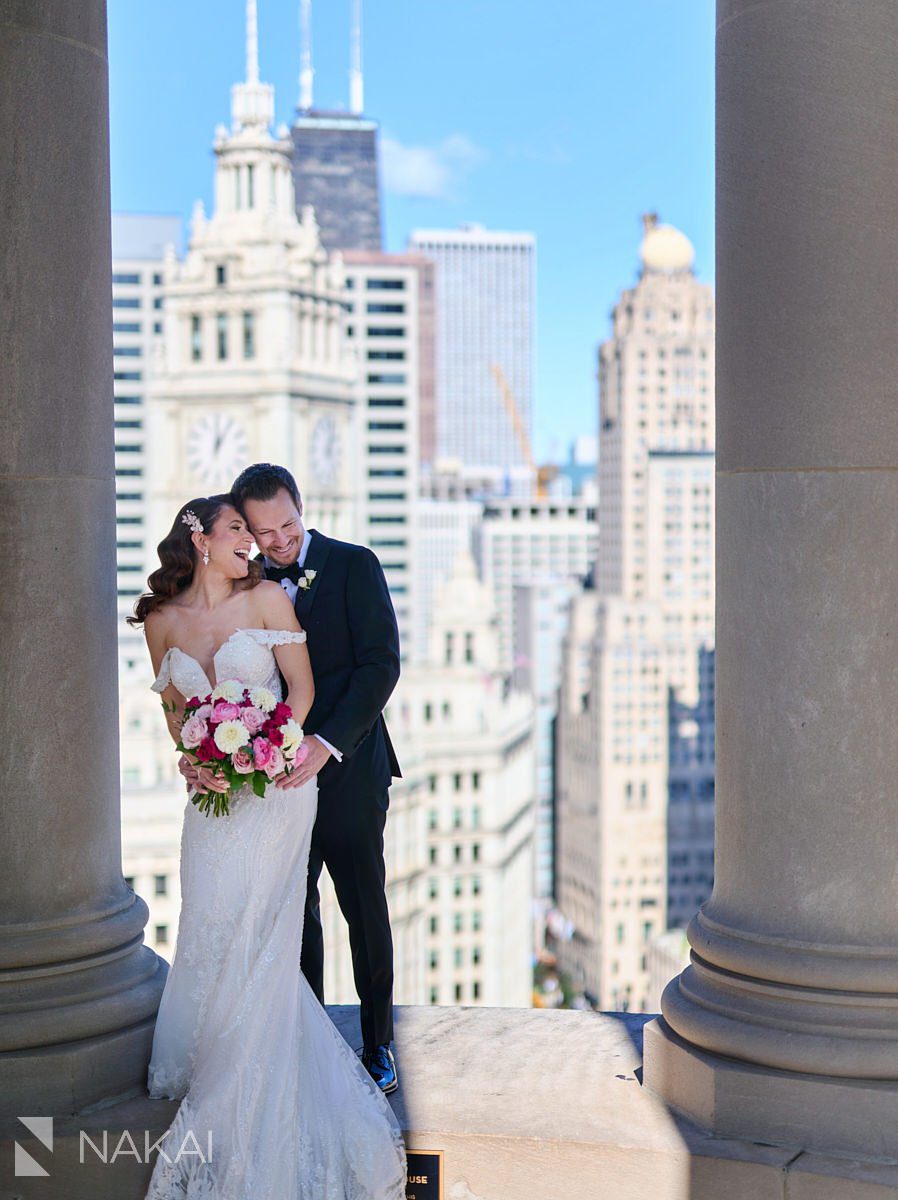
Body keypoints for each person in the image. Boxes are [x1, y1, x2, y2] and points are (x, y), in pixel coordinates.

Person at [131, 494, 405, 1200]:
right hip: (213, 800)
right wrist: (194, 758)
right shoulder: (159, 622)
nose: (260, 543)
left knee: (314, 913)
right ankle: (226, 1052)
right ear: (203, 540)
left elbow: (310, 688)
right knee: (215, 921)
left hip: (289, 780)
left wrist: (271, 748)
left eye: (275, 529)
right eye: (243, 532)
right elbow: (176, 714)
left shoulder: (278, 597)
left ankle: (371, 1044)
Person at [227, 462, 402, 1095]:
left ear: (302, 508)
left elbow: (381, 666)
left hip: (350, 771)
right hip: (274, 780)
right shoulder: (239, 584)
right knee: (295, 916)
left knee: (363, 909)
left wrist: (327, 744)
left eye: (286, 525)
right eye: (263, 532)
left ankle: (379, 1045)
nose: (277, 541)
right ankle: (307, 1041)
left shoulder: (356, 565)